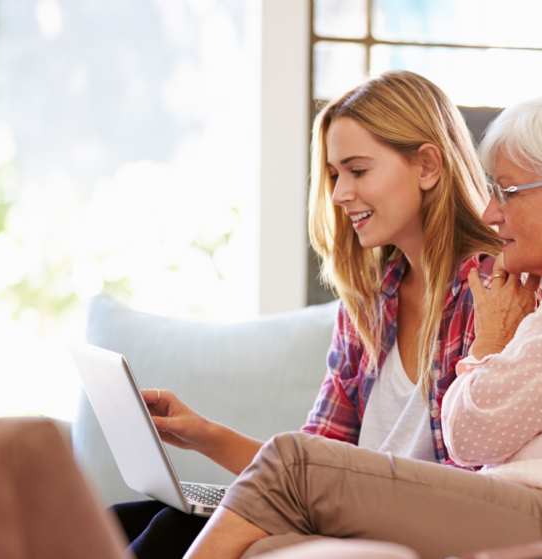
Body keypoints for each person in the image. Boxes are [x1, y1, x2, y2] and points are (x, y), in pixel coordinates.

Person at [184, 90, 542, 559]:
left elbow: (473, 435)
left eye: (508, 192)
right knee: (231, 510)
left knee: (290, 464)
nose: (492, 212)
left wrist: (490, 343)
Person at [113, 70, 502, 559]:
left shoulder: (494, 290)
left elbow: (485, 486)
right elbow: (308, 467)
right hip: (344, 517)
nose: (339, 195)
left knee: (171, 530)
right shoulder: (367, 305)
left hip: (418, 527)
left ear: (427, 166)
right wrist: (205, 435)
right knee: (125, 518)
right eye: (336, 174)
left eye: (357, 171)